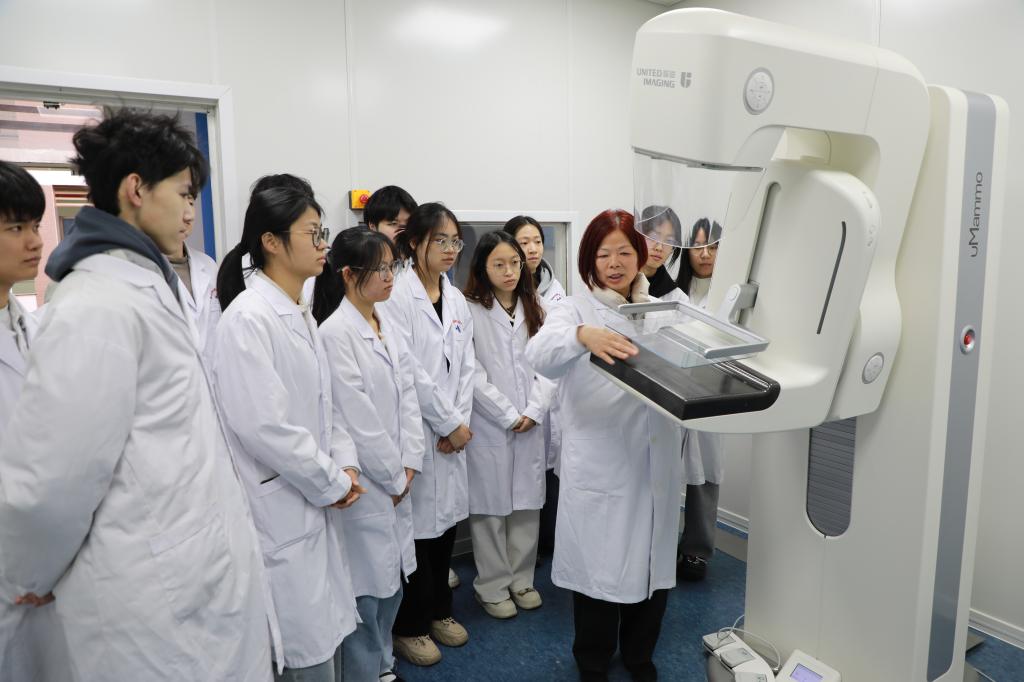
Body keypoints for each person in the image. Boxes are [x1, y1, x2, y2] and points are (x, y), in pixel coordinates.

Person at [0, 108, 273, 680]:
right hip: (149, 596)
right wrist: (28, 573)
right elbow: (54, 481)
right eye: (184, 193)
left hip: (189, 570)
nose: (190, 211)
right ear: (136, 189)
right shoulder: (96, 305)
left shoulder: (145, 284)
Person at [526, 209, 684, 682]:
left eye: (624, 252)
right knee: (598, 571)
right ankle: (593, 661)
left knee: (651, 569)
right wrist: (581, 336)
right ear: (588, 261)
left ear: (640, 256)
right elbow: (539, 355)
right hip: (603, 463)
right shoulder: (574, 310)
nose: (614, 263)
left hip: (653, 462)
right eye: (603, 254)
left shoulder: (661, 310)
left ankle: (639, 656)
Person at [213, 186, 364, 680]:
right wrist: (333, 481)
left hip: (313, 496)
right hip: (282, 509)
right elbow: (267, 427)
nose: (324, 244)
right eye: (313, 233)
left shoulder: (299, 311)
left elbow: (326, 407)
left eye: (323, 232)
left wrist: (345, 464)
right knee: (303, 654)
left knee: (326, 639)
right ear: (271, 241)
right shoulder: (247, 320)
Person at [313, 228, 421, 682]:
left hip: (398, 478)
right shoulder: (334, 333)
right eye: (379, 269)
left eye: (392, 266)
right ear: (347, 274)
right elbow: (357, 417)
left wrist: (411, 462)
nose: (389, 276)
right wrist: (394, 477)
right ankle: (365, 672)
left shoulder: (386, 323)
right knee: (366, 594)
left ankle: (385, 665)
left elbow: (409, 394)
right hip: (368, 483)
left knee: (393, 582)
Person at [384, 202, 475, 667]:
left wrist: (459, 423)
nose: (450, 249)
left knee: (445, 531)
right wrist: (447, 423)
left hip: (451, 434)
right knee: (417, 535)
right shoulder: (396, 295)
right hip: (418, 430)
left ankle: (440, 611)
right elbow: (409, 370)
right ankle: (410, 626)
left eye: (455, 241)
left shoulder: (455, 298)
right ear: (415, 242)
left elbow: (467, 366)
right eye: (440, 240)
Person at [0, 161, 72, 682]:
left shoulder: (29, 324)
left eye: (34, 225)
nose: (35, 241)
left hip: (43, 565)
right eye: (15, 227)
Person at [463, 231, 555, 619]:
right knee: (489, 509)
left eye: (514, 263)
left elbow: (549, 366)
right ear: (483, 267)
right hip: (489, 424)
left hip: (531, 422)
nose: (509, 271)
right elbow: (471, 372)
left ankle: (522, 580)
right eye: (499, 264)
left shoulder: (537, 306)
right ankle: (492, 585)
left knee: (527, 505)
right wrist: (507, 414)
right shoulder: (469, 310)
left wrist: (534, 410)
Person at [503, 215, 565, 557]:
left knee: (549, 475)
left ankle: (545, 546)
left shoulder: (556, 293)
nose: (532, 249)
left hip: (548, 398)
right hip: (514, 402)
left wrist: (540, 403)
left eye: (537, 241)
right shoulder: (499, 295)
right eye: (524, 242)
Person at [674, 217, 725, 582]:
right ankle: (659, 543)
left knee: (706, 471)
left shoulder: (730, 293)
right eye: (697, 247)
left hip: (710, 392)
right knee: (663, 470)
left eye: (713, 247)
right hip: (672, 388)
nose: (705, 254)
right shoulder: (672, 291)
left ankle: (697, 549)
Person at [162, 204, 220, 364]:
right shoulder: (146, 271)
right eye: (180, 200)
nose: (189, 216)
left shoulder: (208, 265)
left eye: (191, 202)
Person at [637, 206, 684, 302]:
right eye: (653, 237)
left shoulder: (677, 298)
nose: (659, 247)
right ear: (639, 235)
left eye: (669, 241)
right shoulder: (618, 281)